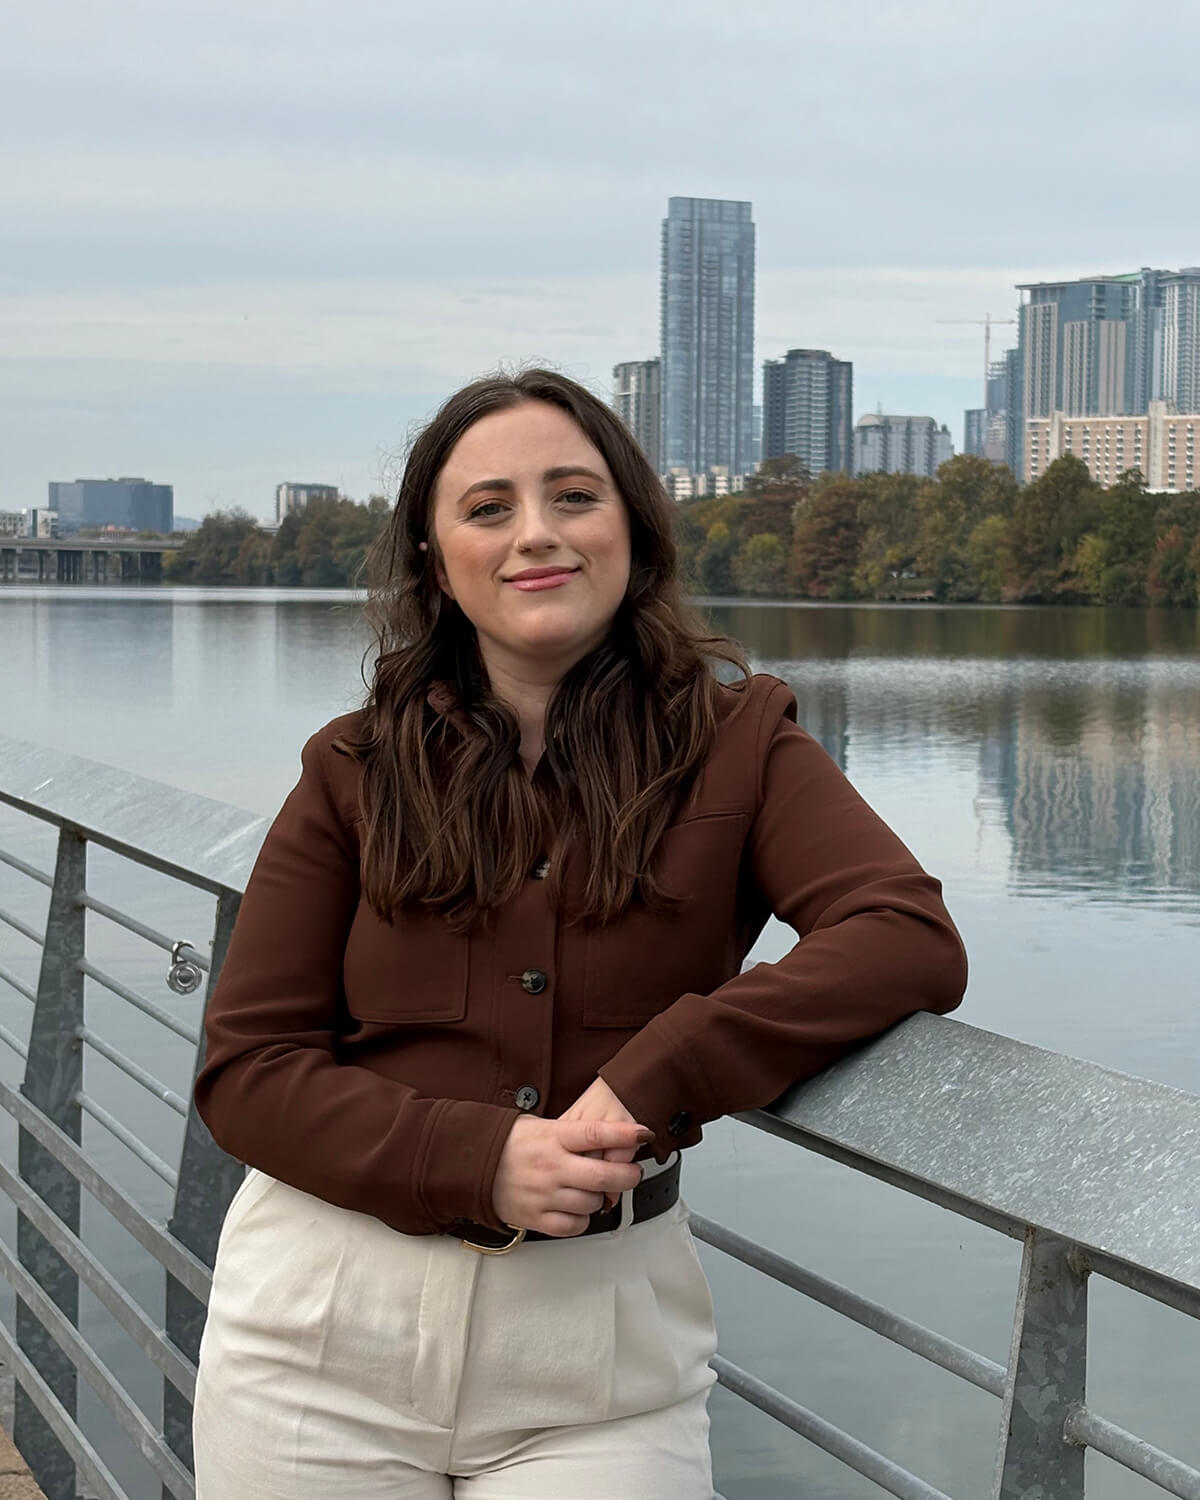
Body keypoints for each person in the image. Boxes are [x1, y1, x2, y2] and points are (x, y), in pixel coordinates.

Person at [191, 368, 967, 1499]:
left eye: (573, 496)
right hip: (316, 1343)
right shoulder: (352, 768)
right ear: (434, 558)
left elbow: (903, 932)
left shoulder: (739, 743)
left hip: (599, 1366)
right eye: (489, 508)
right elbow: (248, 1072)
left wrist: (667, 1070)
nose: (536, 535)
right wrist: (479, 1159)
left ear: (633, 533)